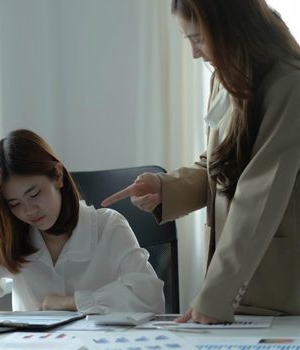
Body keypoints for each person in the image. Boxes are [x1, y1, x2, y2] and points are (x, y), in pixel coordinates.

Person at [102, 0, 300, 324]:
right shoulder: (224, 79)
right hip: (238, 288)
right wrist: (166, 188)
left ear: (231, 26)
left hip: (278, 292)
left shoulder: (289, 84)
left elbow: (258, 193)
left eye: (198, 38)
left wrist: (215, 295)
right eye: (188, 40)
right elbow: (219, 164)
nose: (195, 53)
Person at [0, 129, 164, 317]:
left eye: (34, 194)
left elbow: (150, 299)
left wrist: (73, 302)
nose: (29, 211)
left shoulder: (108, 226)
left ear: (57, 176)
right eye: (14, 203)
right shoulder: (11, 238)